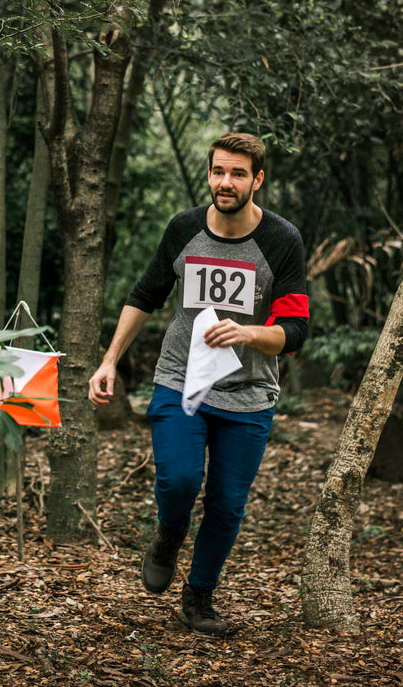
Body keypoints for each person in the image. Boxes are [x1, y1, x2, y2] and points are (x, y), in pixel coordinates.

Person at [88, 132, 309, 635]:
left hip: (248, 395)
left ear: (257, 179)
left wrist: (250, 331)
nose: (224, 182)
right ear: (208, 173)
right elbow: (145, 294)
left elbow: (295, 330)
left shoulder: (281, 240)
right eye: (217, 171)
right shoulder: (184, 227)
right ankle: (168, 533)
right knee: (180, 481)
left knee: (228, 504)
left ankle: (198, 597)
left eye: (236, 173)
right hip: (179, 380)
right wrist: (108, 361)